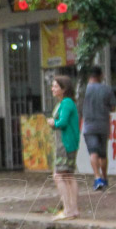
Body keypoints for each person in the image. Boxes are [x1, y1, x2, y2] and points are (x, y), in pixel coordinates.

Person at [47, 74, 80, 221]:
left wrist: (53, 123)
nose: (52, 89)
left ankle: (68, 208)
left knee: (59, 175)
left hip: (65, 143)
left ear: (63, 89)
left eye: (55, 86)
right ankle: (72, 209)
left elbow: (63, 122)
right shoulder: (66, 102)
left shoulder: (66, 103)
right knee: (68, 176)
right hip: (67, 142)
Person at [81, 66, 116, 191]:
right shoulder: (106, 89)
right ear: (100, 75)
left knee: (93, 152)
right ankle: (105, 177)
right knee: (103, 154)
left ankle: (97, 178)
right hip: (103, 125)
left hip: (88, 126)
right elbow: (113, 107)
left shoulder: (83, 90)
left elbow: (78, 107)